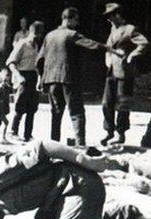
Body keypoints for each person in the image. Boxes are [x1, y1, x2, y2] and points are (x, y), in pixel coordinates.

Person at [36, 7, 109, 145]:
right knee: (76, 113)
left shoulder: (49, 36)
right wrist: (109, 48)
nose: (77, 23)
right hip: (69, 79)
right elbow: (91, 44)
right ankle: (80, 144)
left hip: (51, 80)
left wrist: (41, 78)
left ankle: (54, 144)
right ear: (69, 19)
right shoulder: (72, 34)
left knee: (56, 114)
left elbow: (39, 60)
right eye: (76, 20)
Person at [100, 3, 149, 146]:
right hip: (111, 70)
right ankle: (109, 131)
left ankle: (120, 134)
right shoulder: (112, 29)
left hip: (124, 72)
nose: (108, 20)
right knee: (106, 103)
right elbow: (108, 48)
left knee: (123, 104)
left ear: (117, 15)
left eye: (110, 16)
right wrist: (107, 59)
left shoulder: (130, 29)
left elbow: (144, 43)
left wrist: (132, 55)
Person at [7, 21, 44, 142]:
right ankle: (13, 131)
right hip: (23, 76)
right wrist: (18, 76)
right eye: (36, 34)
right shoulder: (22, 44)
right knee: (20, 105)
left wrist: (39, 78)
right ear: (31, 32)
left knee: (32, 107)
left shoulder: (37, 46)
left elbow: (37, 65)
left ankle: (28, 134)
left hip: (33, 76)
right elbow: (11, 62)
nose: (37, 37)